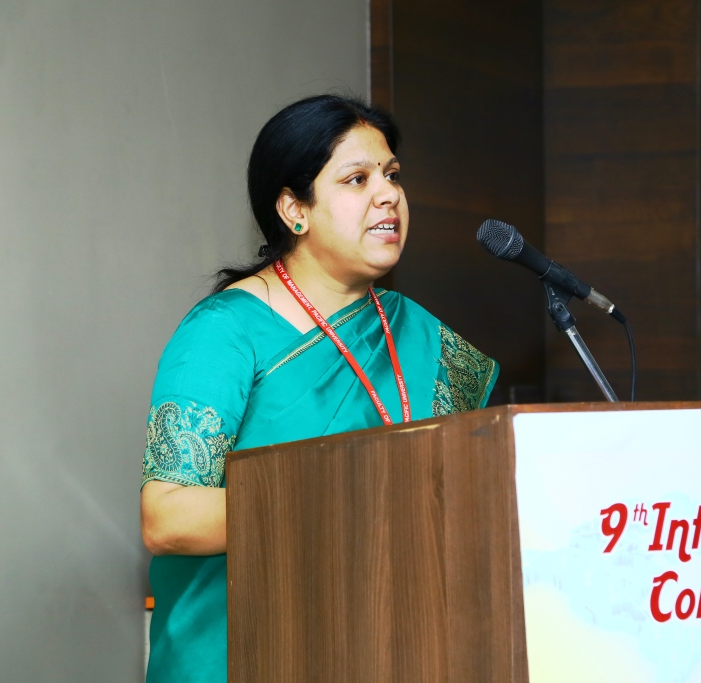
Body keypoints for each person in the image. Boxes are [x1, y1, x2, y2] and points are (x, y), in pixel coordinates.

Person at [139, 94, 498, 683]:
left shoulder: (422, 338)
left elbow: (461, 496)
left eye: (392, 175)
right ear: (293, 209)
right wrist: (347, 501)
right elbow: (168, 517)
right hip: (242, 652)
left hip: (386, 646)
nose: (388, 195)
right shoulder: (224, 332)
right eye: (357, 179)